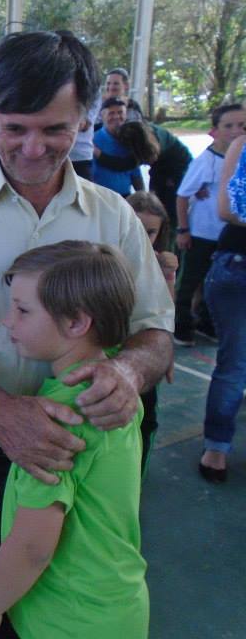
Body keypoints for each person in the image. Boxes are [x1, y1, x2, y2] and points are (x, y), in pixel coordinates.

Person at [0, 30, 173, 639]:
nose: (34, 148)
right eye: (14, 128)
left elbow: (155, 332)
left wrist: (129, 372)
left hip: (73, 458)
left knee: (34, 617)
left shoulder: (113, 216)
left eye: (55, 129)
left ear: (85, 120)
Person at [0, 241, 147, 639]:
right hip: (118, 606)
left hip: (61, 620)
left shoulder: (55, 420)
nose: (7, 321)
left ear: (76, 324)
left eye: (22, 310)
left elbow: (34, 545)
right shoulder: (115, 389)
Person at [174, 103, 246, 345]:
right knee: (189, 281)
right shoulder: (207, 160)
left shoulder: (239, 157)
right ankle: (180, 326)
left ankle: (205, 323)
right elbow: (183, 194)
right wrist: (183, 229)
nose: (236, 130)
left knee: (212, 283)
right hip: (201, 233)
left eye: (242, 125)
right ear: (215, 130)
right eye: (229, 125)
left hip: (225, 237)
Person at [198, 133, 246, 483]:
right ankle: (216, 446)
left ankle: (216, 447)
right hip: (238, 266)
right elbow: (230, 207)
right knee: (234, 363)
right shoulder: (242, 145)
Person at [125, 191, 177, 472]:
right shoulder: (105, 257)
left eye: (151, 231)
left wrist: (168, 277)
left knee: (145, 420)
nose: (143, 237)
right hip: (111, 351)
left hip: (144, 357)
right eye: (136, 227)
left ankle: (136, 480)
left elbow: (166, 312)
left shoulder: (160, 262)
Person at [91, 98, 144, 196]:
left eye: (120, 112)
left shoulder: (130, 139)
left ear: (126, 115)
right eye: (111, 113)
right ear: (102, 116)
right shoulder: (92, 141)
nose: (116, 116)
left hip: (125, 198)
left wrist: (143, 197)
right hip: (100, 198)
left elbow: (136, 174)